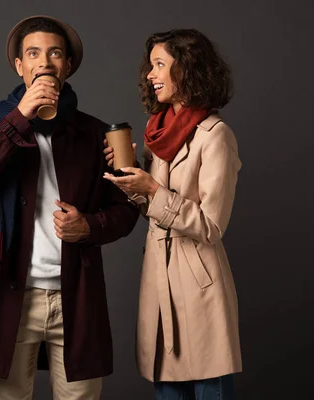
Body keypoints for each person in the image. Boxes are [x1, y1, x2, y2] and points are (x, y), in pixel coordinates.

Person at [0, 15, 139, 400]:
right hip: (11, 293)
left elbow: (127, 207)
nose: (45, 62)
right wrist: (19, 119)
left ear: (67, 66)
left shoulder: (96, 134)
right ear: (20, 66)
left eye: (55, 53)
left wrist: (90, 227)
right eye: (34, 53)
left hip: (76, 295)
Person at [103, 29, 242, 399]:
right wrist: (131, 182)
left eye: (160, 64)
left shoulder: (216, 135)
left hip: (198, 282)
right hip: (158, 279)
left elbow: (211, 226)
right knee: (167, 385)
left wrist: (153, 190)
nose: (150, 74)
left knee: (209, 383)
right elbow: (157, 209)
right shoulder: (159, 132)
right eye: (151, 66)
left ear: (188, 70)